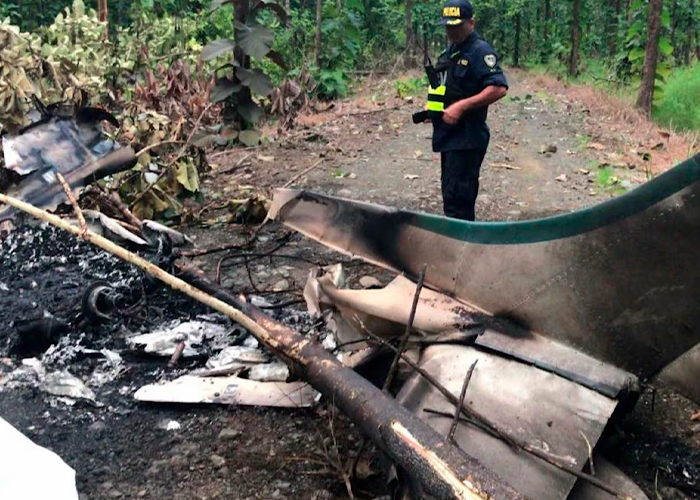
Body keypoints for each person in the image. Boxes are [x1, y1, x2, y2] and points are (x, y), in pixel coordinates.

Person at [422, 0, 508, 221]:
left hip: (468, 137)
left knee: (459, 201)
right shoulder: (451, 51)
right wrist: (433, 108)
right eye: (448, 26)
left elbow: (498, 88)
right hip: (450, 136)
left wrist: (461, 106)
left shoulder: (480, 52)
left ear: (471, 23)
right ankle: (458, 245)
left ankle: (462, 250)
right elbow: (445, 85)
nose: (451, 30)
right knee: (451, 195)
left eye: (456, 26)